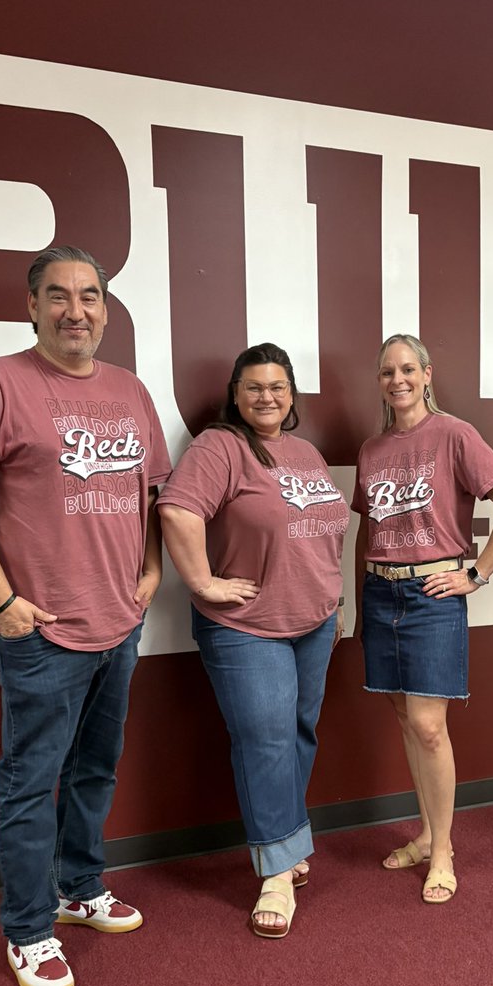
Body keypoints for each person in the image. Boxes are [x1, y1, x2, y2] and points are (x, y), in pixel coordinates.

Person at [0, 245, 171, 986]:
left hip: (120, 623)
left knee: (95, 769)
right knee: (29, 782)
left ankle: (79, 888)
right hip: (40, 632)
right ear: (32, 305)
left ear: (107, 307)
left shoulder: (131, 391)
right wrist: (4, 603)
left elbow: (156, 495)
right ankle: (30, 927)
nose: (78, 310)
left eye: (92, 296)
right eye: (61, 296)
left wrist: (151, 570)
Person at [157, 343, 347, 938]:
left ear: (292, 395)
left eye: (278, 386)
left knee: (297, 733)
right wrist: (202, 582)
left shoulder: (306, 452)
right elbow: (179, 510)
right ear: (235, 395)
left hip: (314, 621)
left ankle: (286, 841)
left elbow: (322, 531)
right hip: (247, 627)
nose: (267, 396)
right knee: (264, 740)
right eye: (254, 386)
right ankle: (275, 871)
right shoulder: (221, 447)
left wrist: (333, 598)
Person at [353, 334, 493, 904]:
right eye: (387, 372)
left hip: (433, 596)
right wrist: (358, 603)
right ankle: (426, 835)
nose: (397, 380)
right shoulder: (372, 448)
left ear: (427, 374)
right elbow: (369, 528)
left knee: (430, 727)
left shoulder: (454, 433)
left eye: (408, 369)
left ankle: (446, 849)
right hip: (381, 595)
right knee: (407, 722)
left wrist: (476, 574)